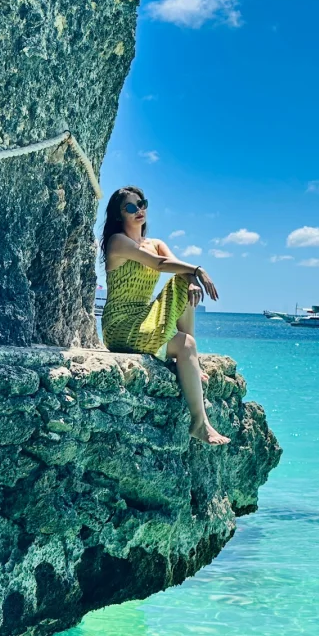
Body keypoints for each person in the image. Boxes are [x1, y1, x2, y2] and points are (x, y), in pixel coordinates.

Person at [100, 186, 230, 445]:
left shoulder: (157, 243)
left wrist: (191, 278)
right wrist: (198, 270)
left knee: (183, 283)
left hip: (144, 316)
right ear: (118, 215)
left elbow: (175, 264)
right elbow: (159, 264)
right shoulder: (118, 242)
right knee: (186, 340)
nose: (139, 210)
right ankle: (199, 423)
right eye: (130, 207)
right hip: (121, 324)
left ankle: (188, 357)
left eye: (142, 204)